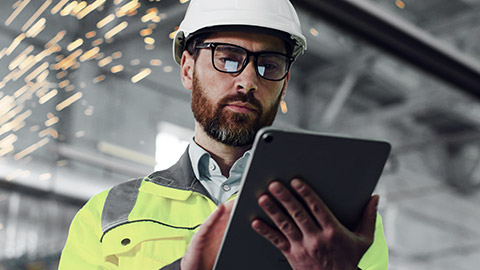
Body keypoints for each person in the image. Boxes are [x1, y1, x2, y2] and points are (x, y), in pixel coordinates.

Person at [59, 0, 388, 269]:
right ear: (188, 69)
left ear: (284, 84)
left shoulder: (337, 221)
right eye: (228, 59)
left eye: (269, 66)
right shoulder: (106, 215)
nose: (248, 81)